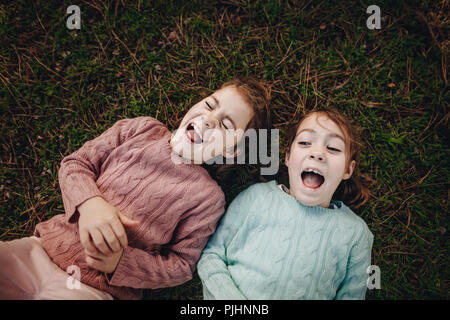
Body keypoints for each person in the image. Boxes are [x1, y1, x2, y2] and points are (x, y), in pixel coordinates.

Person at [0, 77, 271, 300]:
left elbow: (182, 266)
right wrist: (91, 204)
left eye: (226, 125)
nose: (210, 119)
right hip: (39, 250)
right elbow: (76, 163)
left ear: (233, 151)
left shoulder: (208, 199)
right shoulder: (142, 128)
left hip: (93, 289)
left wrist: (120, 263)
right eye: (210, 104)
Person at [197, 107, 374, 299]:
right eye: (305, 142)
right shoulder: (256, 198)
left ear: (348, 169)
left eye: (333, 148)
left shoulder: (356, 234)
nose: (317, 153)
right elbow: (211, 255)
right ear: (288, 157)